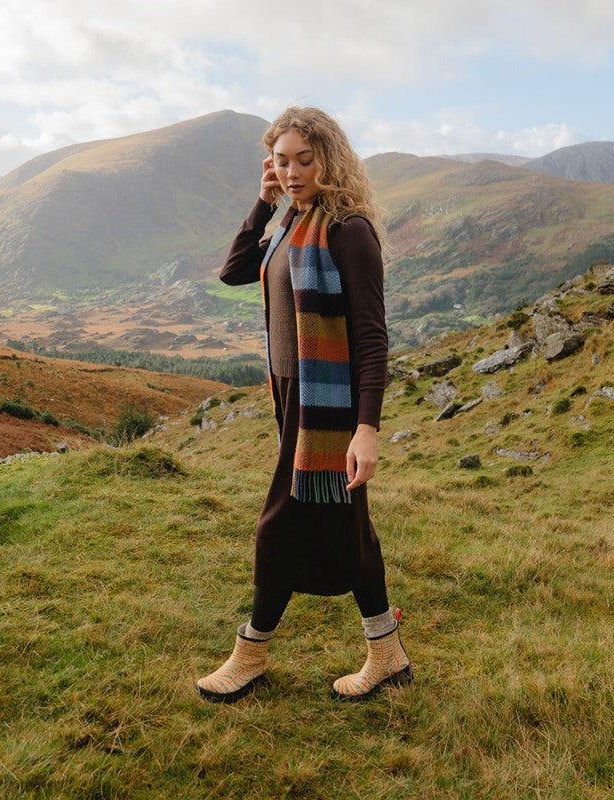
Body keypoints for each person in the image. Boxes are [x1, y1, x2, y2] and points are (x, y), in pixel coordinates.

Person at [196, 107, 412, 702]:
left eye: (304, 160)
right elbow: (236, 271)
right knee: (350, 532)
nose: (291, 172)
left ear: (329, 158)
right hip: (298, 399)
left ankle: (250, 653)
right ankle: (387, 651)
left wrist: (365, 429)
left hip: (334, 408)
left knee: (278, 528)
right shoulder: (294, 218)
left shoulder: (349, 230)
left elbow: (372, 337)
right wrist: (264, 205)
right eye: (281, 161)